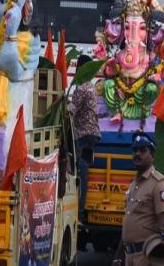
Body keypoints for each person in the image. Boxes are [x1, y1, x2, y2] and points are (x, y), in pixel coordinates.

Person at [112, 132, 164, 266]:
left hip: (146, 257)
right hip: (129, 256)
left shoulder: (159, 184)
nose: (137, 154)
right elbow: (129, 223)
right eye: (134, 150)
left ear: (152, 155)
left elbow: (163, 228)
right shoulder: (134, 183)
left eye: (142, 150)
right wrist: (118, 256)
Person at [68, 54, 100, 222]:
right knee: (83, 171)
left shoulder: (81, 89)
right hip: (92, 134)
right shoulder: (91, 87)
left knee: (79, 173)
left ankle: (78, 213)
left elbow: (71, 110)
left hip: (83, 134)